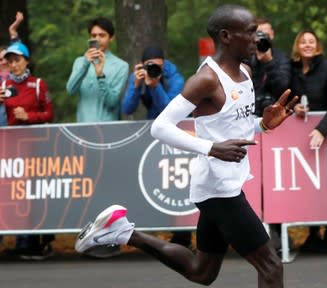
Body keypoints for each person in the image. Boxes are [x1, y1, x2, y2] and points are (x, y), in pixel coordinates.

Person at [75, 4, 299, 287]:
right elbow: (160, 127)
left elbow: (234, 127)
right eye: (251, 32)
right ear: (226, 36)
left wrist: (263, 125)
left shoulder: (244, 72)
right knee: (271, 266)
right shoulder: (206, 80)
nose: (258, 38)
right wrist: (211, 148)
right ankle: (120, 232)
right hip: (220, 191)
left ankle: (122, 232)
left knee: (201, 272)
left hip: (223, 184)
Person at [121, 45, 190, 247]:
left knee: (176, 184)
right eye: (150, 66)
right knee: (152, 180)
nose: (154, 69)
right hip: (150, 134)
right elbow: (127, 108)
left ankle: (183, 234)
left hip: (175, 132)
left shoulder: (176, 78)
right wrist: (135, 85)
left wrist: (155, 85)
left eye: (158, 65)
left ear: (164, 63)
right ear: (143, 65)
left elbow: (170, 111)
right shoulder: (139, 75)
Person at [291, 29, 327, 253]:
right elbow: (286, 96)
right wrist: (293, 107)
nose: (307, 45)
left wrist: (322, 130)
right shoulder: (292, 70)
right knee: (308, 187)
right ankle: (313, 234)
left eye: (311, 41)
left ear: (318, 45)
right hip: (300, 138)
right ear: (297, 46)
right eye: (303, 42)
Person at [0, 41, 54, 260]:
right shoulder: (4, 86)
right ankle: (22, 240)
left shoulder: (38, 84)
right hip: (12, 146)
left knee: (36, 192)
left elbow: (49, 115)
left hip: (36, 145)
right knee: (15, 191)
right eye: (10, 61)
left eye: (17, 60)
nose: (14, 65)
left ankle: (39, 241)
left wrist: (29, 117)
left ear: (27, 61)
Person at [245, 17, 291, 252]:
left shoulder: (280, 57)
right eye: (258, 34)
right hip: (251, 123)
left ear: (272, 35)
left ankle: (279, 235)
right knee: (253, 184)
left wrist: (269, 62)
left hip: (274, 126)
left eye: (266, 34)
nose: (261, 38)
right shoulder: (246, 58)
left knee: (275, 182)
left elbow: (284, 86)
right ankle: (255, 236)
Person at [66, 17, 129, 122]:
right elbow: (70, 90)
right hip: (82, 128)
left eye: (102, 35)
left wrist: (100, 75)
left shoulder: (121, 66)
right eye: (94, 35)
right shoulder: (80, 62)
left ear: (111, 38)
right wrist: (86, 63)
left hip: (108, 129)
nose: (97, 39)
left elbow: (112, 102)